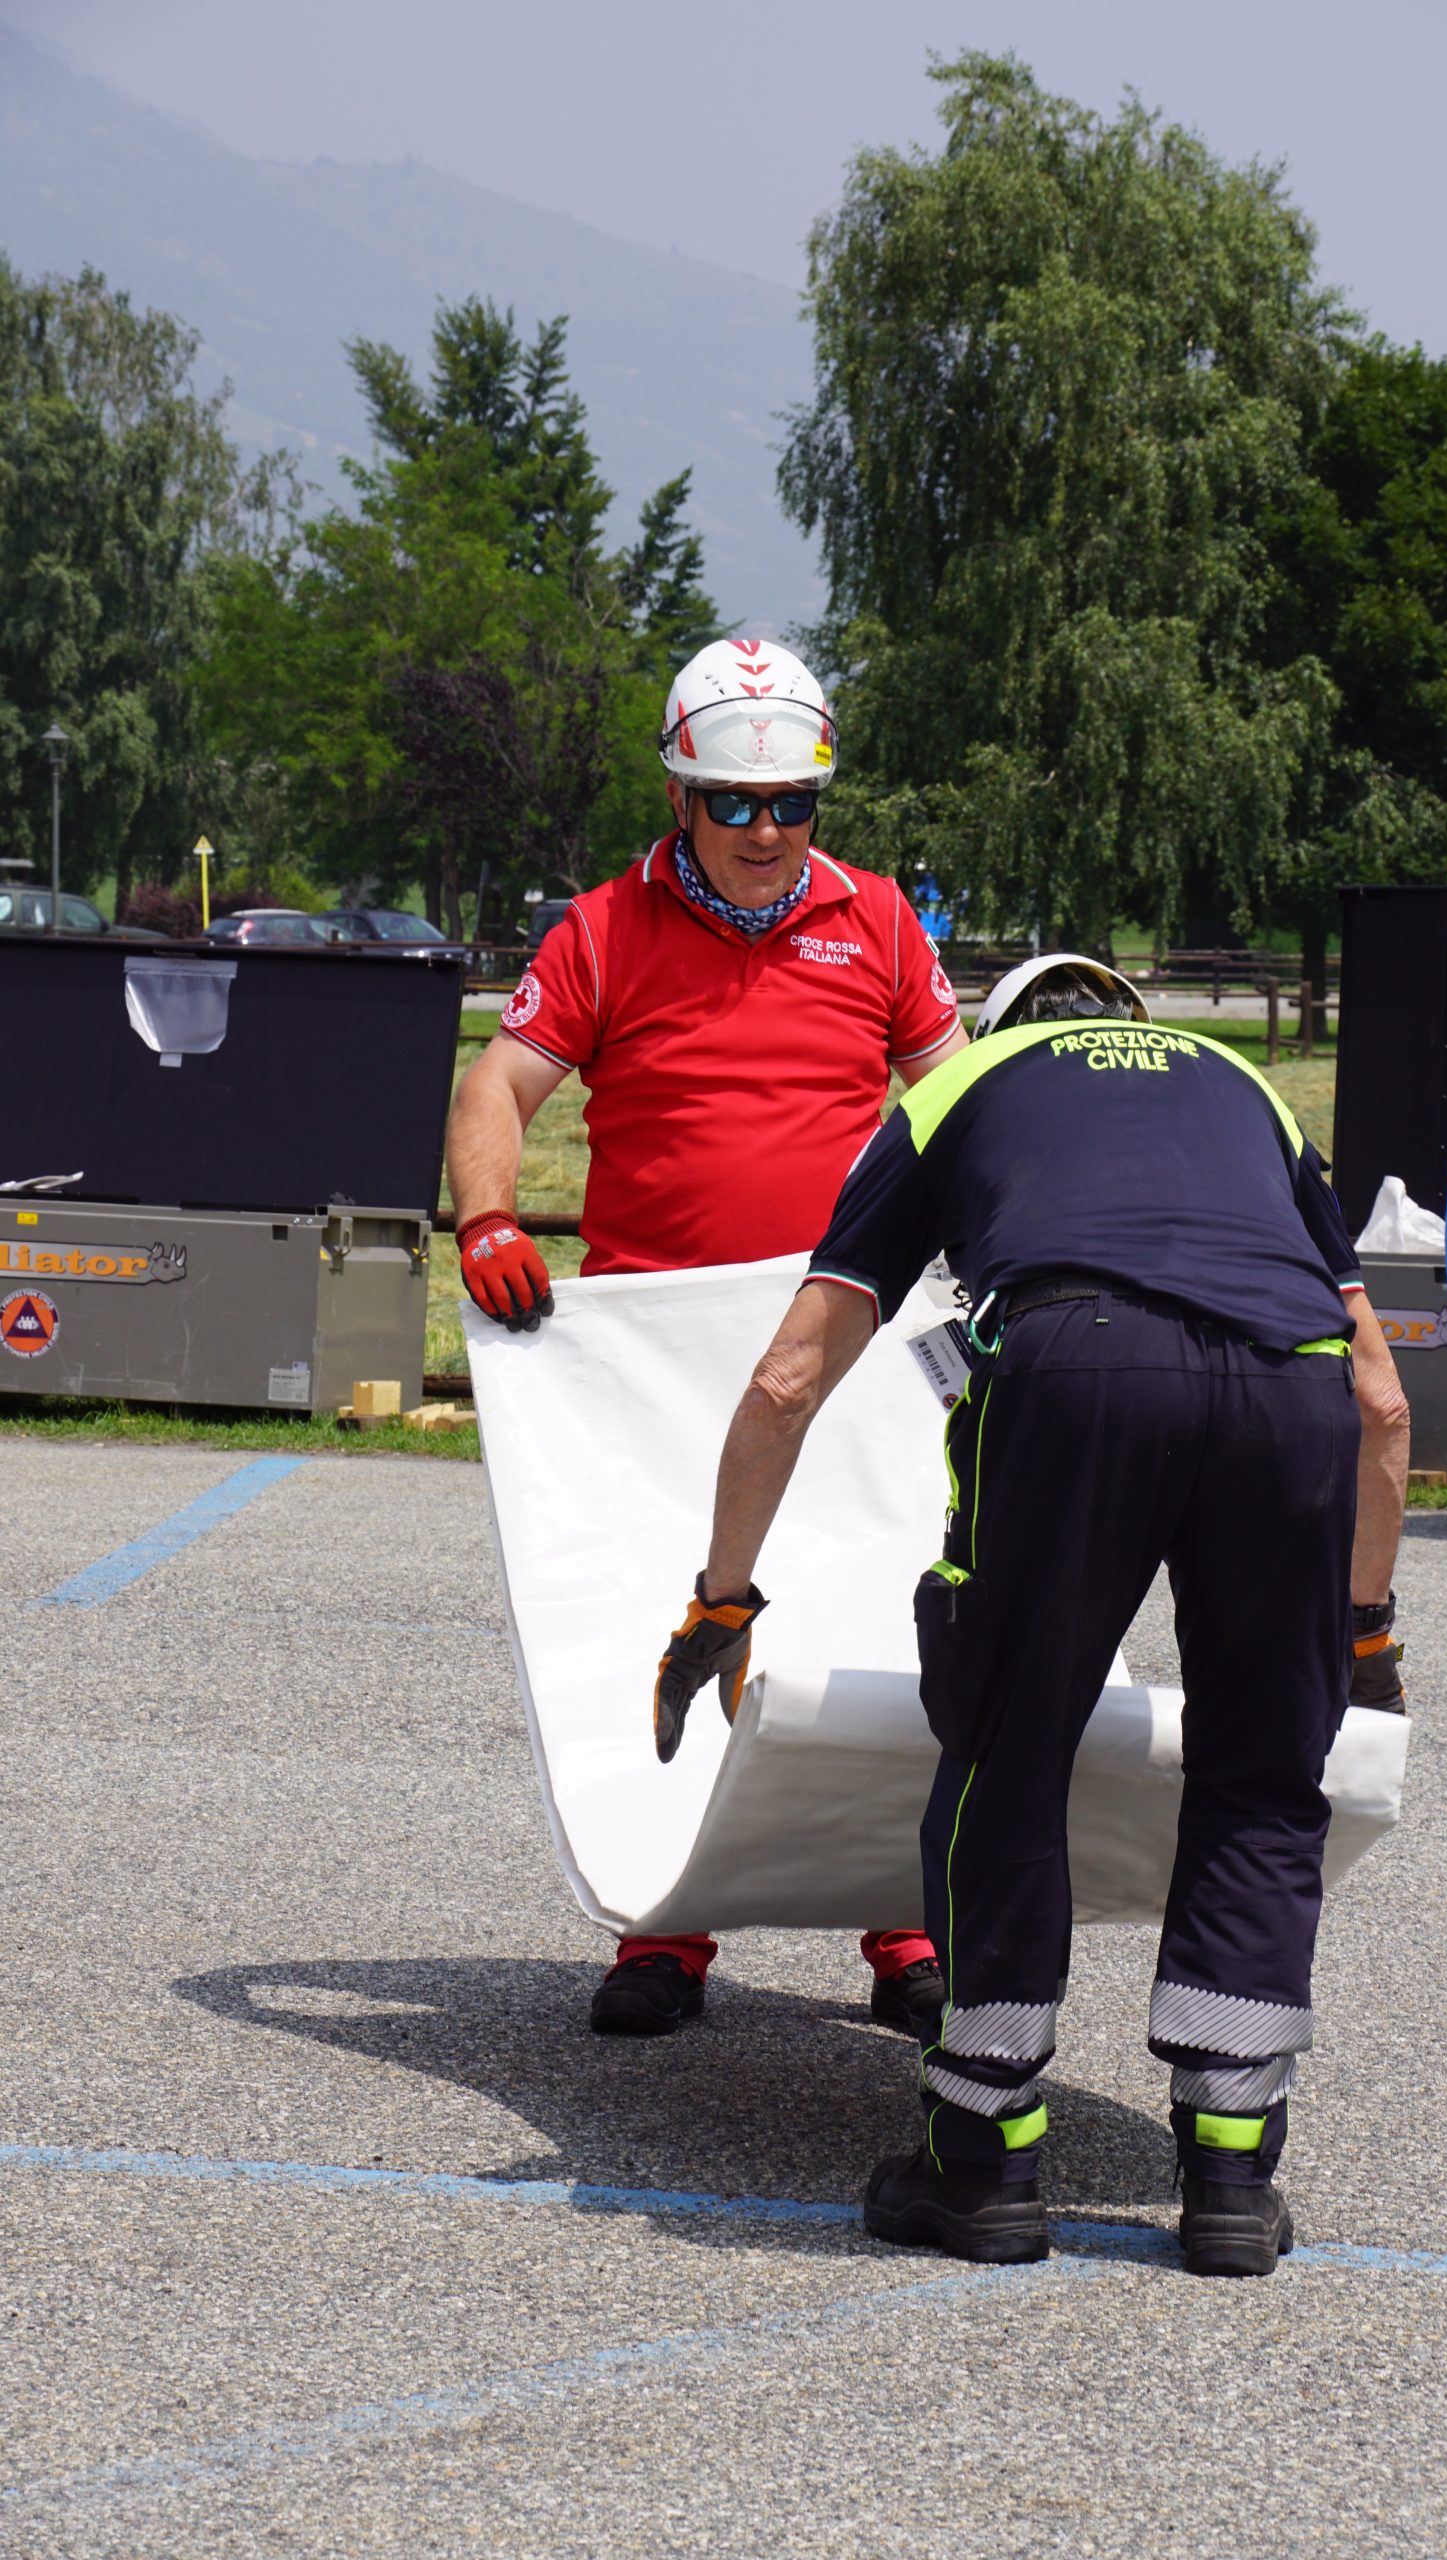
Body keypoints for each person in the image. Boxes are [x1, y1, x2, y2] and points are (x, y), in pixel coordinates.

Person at [653, 953, 1410, 2276]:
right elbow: (1384, 1401)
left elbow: (787, 1377)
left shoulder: (955, 1089)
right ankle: (1231, 2182)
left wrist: (722, 1597)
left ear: (997, 1032)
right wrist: (1364, 1635)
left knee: (1009, 1753)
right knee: (1261, 1774)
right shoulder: (1245, 1089)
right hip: (1293, 1391)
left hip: (1076, 1366)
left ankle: (984, 2162)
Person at [446, 636, 968, 2039]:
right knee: (669, 1621)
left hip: (843, 1350)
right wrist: (486, 1219)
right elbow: (496, 1086)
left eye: (791, 802)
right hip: (658, 1371)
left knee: (879, 1620)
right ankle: (665, 1927)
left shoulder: (880, 924)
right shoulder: (602, 930)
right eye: (733, 802)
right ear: (679, 795)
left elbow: (957, 1103)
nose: (764, 830)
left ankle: (905, 1925)